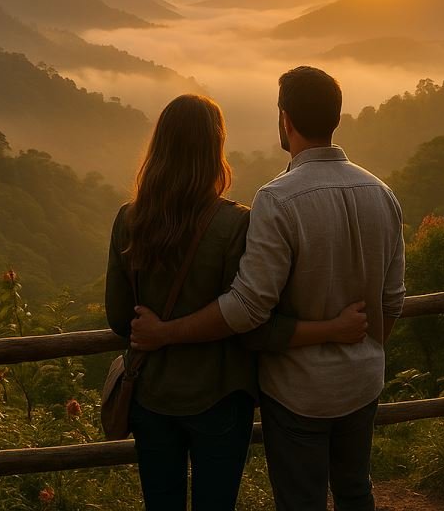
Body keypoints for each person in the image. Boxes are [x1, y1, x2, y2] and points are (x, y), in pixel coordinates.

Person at [130, 68, 406, 511]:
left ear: (285, 120)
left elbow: (247, 308)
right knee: (356, 490)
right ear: (335, 117)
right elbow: (392, 301)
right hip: (363, 382)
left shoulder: (277, 200)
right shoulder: (382, 193)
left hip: (297, 390)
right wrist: (362, 351)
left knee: (302, 500)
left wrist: (165, 333)